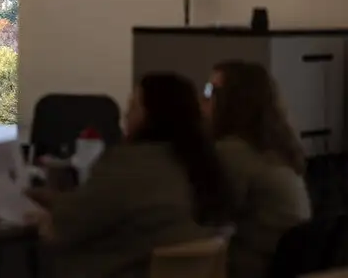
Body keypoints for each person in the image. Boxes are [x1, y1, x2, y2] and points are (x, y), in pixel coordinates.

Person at [26, 73, 233, 278]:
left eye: (133, 107)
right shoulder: (203, 166)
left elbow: (61, 229)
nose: (125, 116)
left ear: (151, 116)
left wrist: (42, 217)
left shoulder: (127, 165)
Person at [205, 60, 311, 278]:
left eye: (210, 90)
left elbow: (210, 216)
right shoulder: (278, 150)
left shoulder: (232, 152)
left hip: (255, 266)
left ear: (233, 100)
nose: (202, 99)